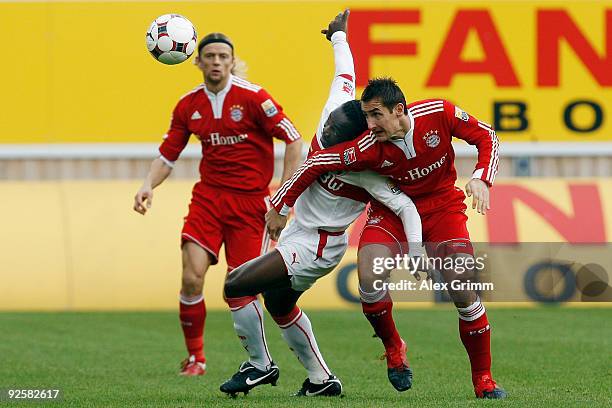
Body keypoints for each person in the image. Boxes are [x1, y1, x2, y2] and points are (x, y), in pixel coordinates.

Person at [220, 10, 425, 397]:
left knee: (236, 284)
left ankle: (260, 366)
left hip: (318, 246)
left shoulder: (366, 170)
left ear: (350, 144)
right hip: (297, 230)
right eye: (325, 129)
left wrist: (414, 248)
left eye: (331, 137)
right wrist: (338, 37)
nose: (324, 136)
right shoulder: (337, 108)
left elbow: (406, 207)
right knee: (279, 306)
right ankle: (321, 380)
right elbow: (344, 71)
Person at [267, 78, 507, 398]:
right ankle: (394, 347)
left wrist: (482, 178)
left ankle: (484, 380)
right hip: (390, 213)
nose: (369, 124)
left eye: (376, 115)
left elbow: (487, 135)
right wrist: (281, 207)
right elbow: (316, 162)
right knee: (369, 270)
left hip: (443, 210)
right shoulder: (367, 146)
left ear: (398, 110)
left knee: (463, 288)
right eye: (366, 116)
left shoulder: (439, 113)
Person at [132, 32, 303, 376]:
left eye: (222, 56)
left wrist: (282, 198)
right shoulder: (187, 105)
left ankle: (261, 362)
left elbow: (294, 139)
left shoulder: (255, 98)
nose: (215, 62)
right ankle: (196, 359)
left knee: (242, 288)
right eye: (209, 56)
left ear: (231, 61)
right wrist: (148, 185)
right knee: (191, 277)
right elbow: (168, 156)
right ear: (196, 61)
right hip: (208, 199)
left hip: (250, 204)